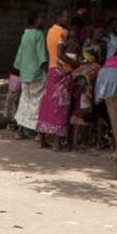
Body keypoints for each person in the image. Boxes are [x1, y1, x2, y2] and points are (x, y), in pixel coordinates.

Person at [37, 10, 77, 150]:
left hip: (52, 70)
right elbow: (60, 53)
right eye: (66, 17)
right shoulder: (62, 33)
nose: (68, 19)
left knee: (47, 104)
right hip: (62, 72)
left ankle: (42, 138)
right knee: (61, 106)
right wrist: (74, 64)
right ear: (58, 17)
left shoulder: (49, 31)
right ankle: (57, 143)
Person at [12, 11, 48, 140]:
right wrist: (47, 73)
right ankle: (39, 133)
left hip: (25, 74)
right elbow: (42, 57)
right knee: (38, 103)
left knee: (24, 103)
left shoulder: (25, 35)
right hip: (37, 75)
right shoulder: (39, 35)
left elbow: (20, 55)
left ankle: (20, 131)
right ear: (34, 20)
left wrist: (18, 70)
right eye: (41, 18)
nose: (43, 21)